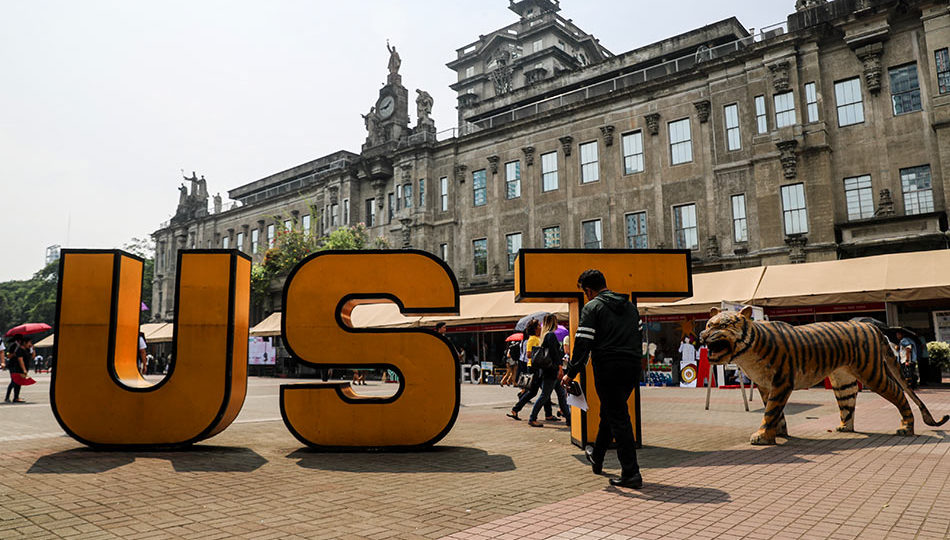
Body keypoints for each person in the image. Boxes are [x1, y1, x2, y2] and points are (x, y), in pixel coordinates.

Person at [561, 269, 643, 489]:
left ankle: (631, 473)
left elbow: (583, 344)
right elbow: (639, 338)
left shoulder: (593, 307)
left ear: (589, 290)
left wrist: (570, 372)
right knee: (611, 411)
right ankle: (597, 457)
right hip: (632, 366)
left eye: (585, 292)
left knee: (619, 418)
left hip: (608, 367)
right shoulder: (630, 308)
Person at [524, 314, 571, 427]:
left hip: (549, 370)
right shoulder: (550, 336)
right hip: (552, 371)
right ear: (553, 322)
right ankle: (532, 418)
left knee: (561, 394)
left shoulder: (544, 336)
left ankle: (569, 419)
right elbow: (555, 354)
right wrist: (560, 368)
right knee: (545, 395)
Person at [507, 319, 551, 422]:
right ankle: (516, 409)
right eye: (539, 326)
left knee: (537, 392)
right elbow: (528, 354)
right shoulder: (532, 339)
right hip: (533, 367)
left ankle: (516, 409)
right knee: (537, 392)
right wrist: (540, 351)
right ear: (535, 328)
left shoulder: (537, 338)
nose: (541, 328)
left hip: (537, 367)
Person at [5, 335, 33, 403]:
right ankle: (9, 397)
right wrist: (14, 354)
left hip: (19, 366)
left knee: (17, 382)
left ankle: (15, 397)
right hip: (13, 366)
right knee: (14, 382)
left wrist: (32, 349)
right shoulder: (13, 346)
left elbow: (31, 356)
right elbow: (8, 355)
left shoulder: (26, 348)